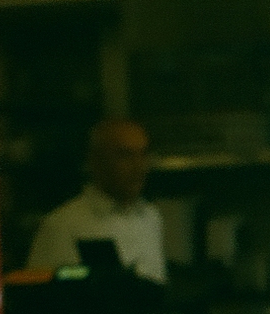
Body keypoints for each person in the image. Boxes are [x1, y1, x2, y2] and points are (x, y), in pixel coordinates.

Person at [27, 119, 167, 283]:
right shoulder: (62, 225)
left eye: (143, 154)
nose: (139, 166)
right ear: (96, 161)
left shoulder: (150, 217)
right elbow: (39, 286)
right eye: (125, 155)